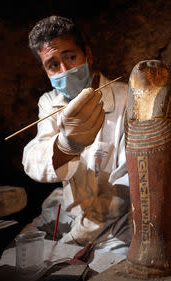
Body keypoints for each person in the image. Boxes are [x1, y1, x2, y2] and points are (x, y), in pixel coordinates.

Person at [22, 15, 131, 255]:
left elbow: (126, 187)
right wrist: (65, 146)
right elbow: (34, 160)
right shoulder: (50, 103)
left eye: (71, 57)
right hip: (70, 212)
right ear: (45, 70)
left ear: (88, 55)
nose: (65, 70)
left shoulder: (126, 100)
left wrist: (77, 235)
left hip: (116, 228)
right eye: (53, 65)